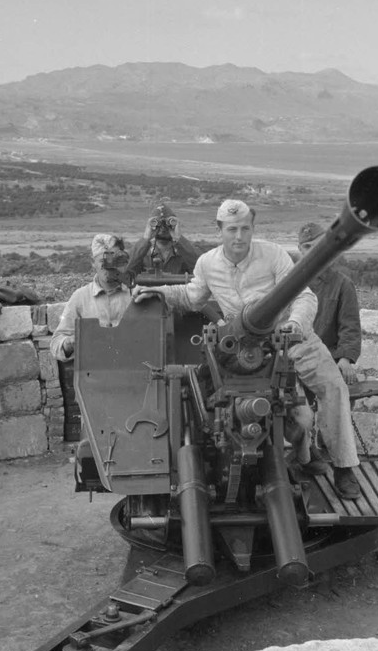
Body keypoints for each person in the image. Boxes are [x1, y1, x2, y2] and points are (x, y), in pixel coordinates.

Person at [132, 199, 361, 499]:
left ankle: (344, 467)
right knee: (298, 419)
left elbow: (304, 297)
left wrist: (295, 324)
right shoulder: (208, 264)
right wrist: (157, 292)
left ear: (253, 228)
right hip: (250, 349)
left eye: (245, 229)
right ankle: (302, 456)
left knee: (333, 388)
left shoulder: (273, 254)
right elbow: (192, 296)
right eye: (232, 230)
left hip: (293, 338)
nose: (239, 236)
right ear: (220, 230)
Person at [50, 233, 132, 361]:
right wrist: (69, 343)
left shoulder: (136, 293)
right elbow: (56, 344)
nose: (108, 266)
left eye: (114, 261)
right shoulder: (80, 297)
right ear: (93, 262)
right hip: (93, 369)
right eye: (103, 261)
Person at [298, 222, 362, 385]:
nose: (312, 251)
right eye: (307, 246)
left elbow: (349, 326)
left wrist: (345, 358)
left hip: (327, 360)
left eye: (318, 245)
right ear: (300, 249)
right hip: (292, 362)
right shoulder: (287, 283)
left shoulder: (342, 285)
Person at [125, 204, 200, 279]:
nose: (163, 228)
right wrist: (145, 239)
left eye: (167, 224)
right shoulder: (142, 253)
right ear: (150, 226)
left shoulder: (184, 251)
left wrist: (179, 238)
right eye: (158, 223)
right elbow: (126, 272)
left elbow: (200, 268)